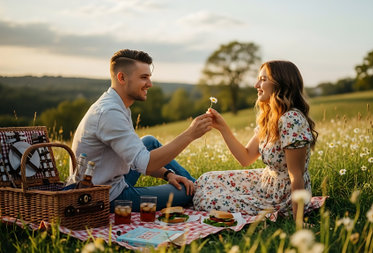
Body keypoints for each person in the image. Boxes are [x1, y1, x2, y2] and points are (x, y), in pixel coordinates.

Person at [71, 49, 212, 212]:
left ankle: (199, 186)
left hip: (112, 179)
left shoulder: (118, 105)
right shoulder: (109, 113)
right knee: (188, 194)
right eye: (144, 77)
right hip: (104, 197)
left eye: (149, 77)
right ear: (122, 78)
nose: (150, 84)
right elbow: (145, 163)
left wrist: (168, 174)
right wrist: (190, 134)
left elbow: (135, 158)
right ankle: (201, 190)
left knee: (149, 142)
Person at [193, 60, 318, 217]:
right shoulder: (270, 117)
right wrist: (222, 128)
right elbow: (245, 158)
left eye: (263, 79)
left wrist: (298, 219)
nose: (256, 84)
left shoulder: (291, 119)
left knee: (207, 199)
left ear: (281, 84)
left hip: (282, 197)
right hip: (266, 182)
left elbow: (296, 175)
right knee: (206, 180)